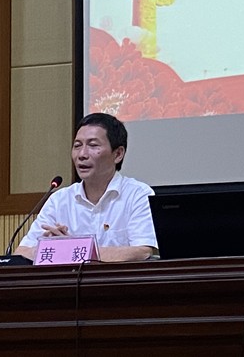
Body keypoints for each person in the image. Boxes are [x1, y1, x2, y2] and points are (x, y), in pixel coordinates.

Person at [15, 112, 158, 262]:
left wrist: (71, 248)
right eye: (77, 146)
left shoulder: (138, 195)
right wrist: (53, 247)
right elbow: (21, 252)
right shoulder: (59, 200)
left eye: (93, 145)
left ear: (118, 154)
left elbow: (142, 252)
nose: (82, 154)